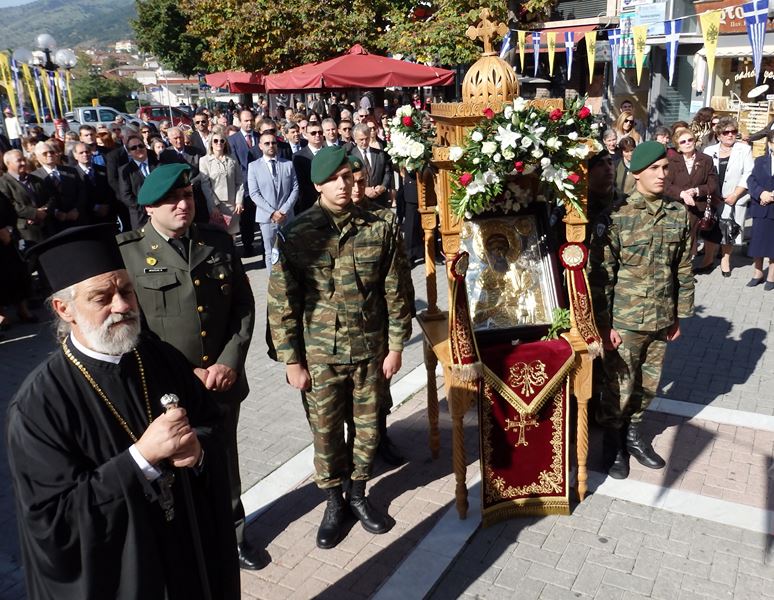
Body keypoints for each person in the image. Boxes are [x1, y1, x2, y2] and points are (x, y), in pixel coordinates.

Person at [7, 223, 240, 599]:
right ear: (63, 308)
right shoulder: (39, 406)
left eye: (126, 290)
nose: (122, 306)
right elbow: (53, 522)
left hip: (186, 557)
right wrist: (140, 460)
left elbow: (210, 422)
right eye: (102, 298)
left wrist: (198, 451)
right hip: (123, 573)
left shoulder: (159, 358)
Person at [117, 163, 263, 571]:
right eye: (171, 200)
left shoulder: (216, 241)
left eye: (187, 196)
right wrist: (184, 374)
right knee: (169, 465)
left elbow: (242, 306)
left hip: (221, 382)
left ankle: (233, 535)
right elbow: (133, 329)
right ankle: (183, 542)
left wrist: (228, 361)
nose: (183, 205)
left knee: (223, 459)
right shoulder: (128, 253)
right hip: (166, 390)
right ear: (149, 208)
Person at [267, 146, 412, 549]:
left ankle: (358, 494)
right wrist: (291, 359)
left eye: (350, 177)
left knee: (367, 430)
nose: (346, 185)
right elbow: (282, 302)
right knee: (327, 434)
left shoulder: (379, 226)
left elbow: (397, 290)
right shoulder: (297, 233)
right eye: (336, 179)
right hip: (320, 355)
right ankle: (334, 502)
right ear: (318, 185)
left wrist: (397, 345)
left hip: (369, 350)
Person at [589, 141, 694, 480]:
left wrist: (679, 314)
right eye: (654, 169)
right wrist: (604, 326)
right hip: (626, 320)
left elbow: (683, 269)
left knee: (648, 386)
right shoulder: (617, 217)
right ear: (636, 174)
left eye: (666, 168)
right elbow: (601, 277)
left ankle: (634, 435)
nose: (662, 175)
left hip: (661, 318)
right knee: (618, 386)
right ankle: (613, 443)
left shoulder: (677, 214)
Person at [697, 117, 754, 276]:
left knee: (729, 230)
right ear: (719, 134)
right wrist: (710, 193)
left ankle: (725, 260)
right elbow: (703, 174)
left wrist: (736, 194)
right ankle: (708, 259)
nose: (730, 135)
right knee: (710, 227)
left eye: (733, 132)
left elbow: (749, 173)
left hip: (734, 196)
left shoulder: (744, 149)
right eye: (726, 132)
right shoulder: (709, 151)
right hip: (713, 197)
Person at [664, 127, 718, 257]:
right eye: (683, 142)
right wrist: (682, 194)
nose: (687, 143)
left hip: (697, 208)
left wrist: (697, 190)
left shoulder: (706, 160)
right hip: (676, 208)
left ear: (694, 141)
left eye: (690, 140)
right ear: (678, 146)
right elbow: (665, 184)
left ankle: (686, 271)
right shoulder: (672, 161)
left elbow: (713, 184)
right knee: (674, 242)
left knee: (691, 241)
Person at [247, 131, 298, 264]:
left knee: (291, 251)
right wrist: (272, 213)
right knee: (270, 253)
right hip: (266, 218)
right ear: (260, 146)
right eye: (267, 143)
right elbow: (254, 193)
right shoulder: (253, 167)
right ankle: (272, 283)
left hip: (287, 217)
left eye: (273, 143)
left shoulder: (288, 164)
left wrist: (283, 211)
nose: (271, 145)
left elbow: (295, 189)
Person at [743, 129, 774, 290]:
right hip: (761, 208)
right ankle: (757, 273)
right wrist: (761, 193)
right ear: (770, 144)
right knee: (758, 243)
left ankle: (771, 276)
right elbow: (751, 181)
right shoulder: (760, 161)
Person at [199, 130, 244, 237]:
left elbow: (239, 182)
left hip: (232, 205)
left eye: (221, 140)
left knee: (233, 236)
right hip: (216, 205)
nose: (219, 143)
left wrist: (239, 201)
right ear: (211, 143)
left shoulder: (232, 159)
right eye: (215, 141)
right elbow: (205, 185)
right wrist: (213, 205)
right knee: (220, 236)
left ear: (225, 143)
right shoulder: (204, 160)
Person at [228, 110, 260, 257]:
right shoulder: (233, 140)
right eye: (246, 120)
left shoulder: (260, 138)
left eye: (251, 120)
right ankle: (248, 245)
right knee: (246, 219)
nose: (249, 123)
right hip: (244, 186)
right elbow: (235, 164)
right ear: (240, 122)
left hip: (261, 184)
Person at [118, 134, 157, 230]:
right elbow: (125, 195)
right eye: (133, 148)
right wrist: (145, 208)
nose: (138, 149)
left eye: (141, 146)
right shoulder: (125, 170)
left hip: (160, 212)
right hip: (140, 216)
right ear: (129, 152)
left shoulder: (158, 165)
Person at [349, 123, 392, 208]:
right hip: (359, 201)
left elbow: (387, 172)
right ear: (355, 139)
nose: (364, 142)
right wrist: (363, 190)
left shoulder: (380, 154)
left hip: (379, 199)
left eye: (367, 139)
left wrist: (383, 187)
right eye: (361, 139)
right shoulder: (350, 156)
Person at [292, 121, 325, 214]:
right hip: (310, 204)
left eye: (320, 132)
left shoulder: (329, 153)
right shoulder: (298, 156)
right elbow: (301, 184)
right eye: (313, 133)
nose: (317, 135)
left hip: (330, 201)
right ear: (306, 135)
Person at [613, 136, 637, 201]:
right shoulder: (615, 165)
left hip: (633, 201)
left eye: (632, 150)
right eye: (627, 151)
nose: (630, 154)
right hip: (616, 202)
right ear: (622, 152)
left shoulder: (640, 165)